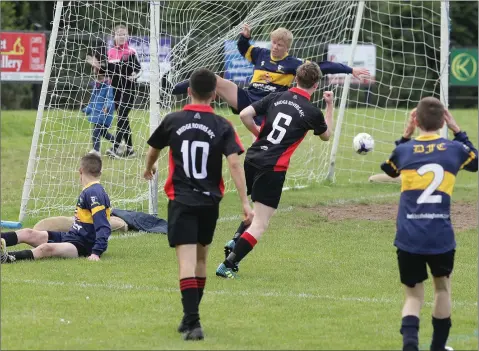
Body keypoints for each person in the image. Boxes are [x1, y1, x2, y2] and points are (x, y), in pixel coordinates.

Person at [143, 68, 253, 340]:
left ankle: (193, 322)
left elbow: (154, 148)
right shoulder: (222, 126)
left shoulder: (173, 120)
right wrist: (245, 202)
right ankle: (189, 317)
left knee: (185, 262)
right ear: (214, 95)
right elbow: (235, 163)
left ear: (189, 91)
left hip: (181, 200)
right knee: (201, 260)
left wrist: (149, 167)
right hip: (209, 202)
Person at [215, 61, 334, 278]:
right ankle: (228, 265)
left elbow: (244, 115)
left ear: (296, 79)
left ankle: (236, 239)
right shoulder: (312, 112)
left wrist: (258, 131)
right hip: (273, 167)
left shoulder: (277, 97)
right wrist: (329, 106)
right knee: (261, 224)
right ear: (316, 85)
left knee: (256, 212)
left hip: (252, 158)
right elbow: (326, 136)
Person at [380, 98, 478, 351]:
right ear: (443, 120)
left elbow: (389, 169)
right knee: (442, 290)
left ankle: (410, 346)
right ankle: (438, 347)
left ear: (416, 121)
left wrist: (405, 136)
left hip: (409, 235)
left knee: (413, 296)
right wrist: (457, 130)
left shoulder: (405, 150)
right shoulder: (454, 149)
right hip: (440, 235)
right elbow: (476, 162)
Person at [172, 23, 369, 126]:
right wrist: (244, 37)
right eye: (273, 42)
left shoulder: (294, 64)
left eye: (280, 44)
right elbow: (243, 48)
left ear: (286, 47)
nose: (275, 47)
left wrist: (351, 70)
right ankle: (174, 89)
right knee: (212, 78)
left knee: (260, 143)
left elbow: (323, 66)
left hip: (268, 106)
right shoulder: (260, 54)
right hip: (248, 97)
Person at [0, 154, 112, 263]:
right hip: (72, 236)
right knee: (28, 233)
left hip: (83, 246)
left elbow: (103, 226)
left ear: (80, 171)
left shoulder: (94, 193)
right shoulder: (90, 189)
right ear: (100, 173)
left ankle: (6, 258)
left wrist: (96, 252)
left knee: (45, 248)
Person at [87, 24, 141, 158]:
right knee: (124, 118)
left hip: (129, 89)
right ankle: (130, 150)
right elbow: (106, 73)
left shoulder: (131, 52)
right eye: (119, 34)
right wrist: (97, 67)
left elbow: (139, 69)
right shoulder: (110, 53)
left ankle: (116, 148)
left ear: (127, 36)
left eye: (124, 34)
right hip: (115, 91)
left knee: (122, 115)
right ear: (114, 36)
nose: (122, 37)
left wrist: (134, 75)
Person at [83, 64, 115, 156]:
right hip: (96, 113)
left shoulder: (108, 86)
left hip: (104, 114)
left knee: (96, 131)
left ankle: (96, 150)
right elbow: (93, 101)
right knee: (104, 133)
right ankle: (118, 143)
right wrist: (86, 110)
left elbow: (110, 99)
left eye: (96, 71)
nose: (94, 73)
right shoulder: (96, 86)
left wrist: (107, 107)